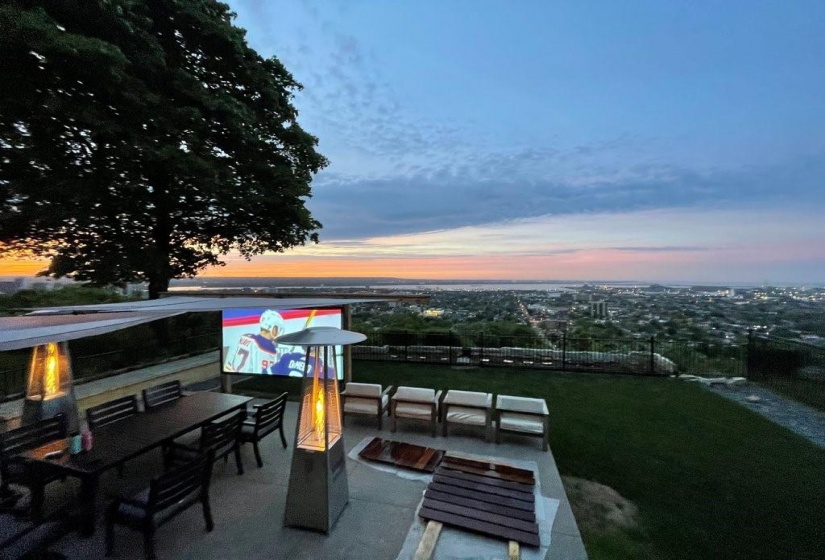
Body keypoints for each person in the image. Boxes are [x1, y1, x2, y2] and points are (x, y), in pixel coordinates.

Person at [223, 310, 287, 374]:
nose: (279, 332)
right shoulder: (269, 349)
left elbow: (227, 366)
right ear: (274, 328)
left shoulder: (244, 337)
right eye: (278, 329)